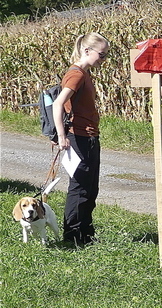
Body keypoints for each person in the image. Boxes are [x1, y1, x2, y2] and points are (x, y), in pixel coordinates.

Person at [53, 32, 109, 247]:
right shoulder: (76, 74)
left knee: (90, 187)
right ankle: (73, 235)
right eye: (101, 55)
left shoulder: (84, 74)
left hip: (90, 136)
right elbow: (59, 104)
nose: (103, 60)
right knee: (80, 187)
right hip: (79, 138)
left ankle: (86, 232)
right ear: (87, 51)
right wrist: (61, 136)